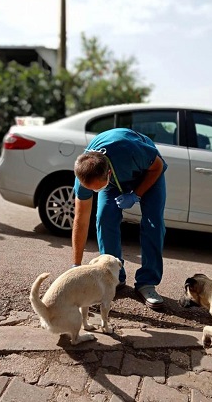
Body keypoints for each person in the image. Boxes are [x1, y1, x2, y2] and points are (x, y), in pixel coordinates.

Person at [72, 128, 168, 309]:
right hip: (112, 178)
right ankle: (114, 276)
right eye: (92, 190)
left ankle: (147, 282)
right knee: (104, 218)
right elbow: (81, 220)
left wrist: (136, 194)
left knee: (153, 223)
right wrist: (75, 265)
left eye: (97, 189)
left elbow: (157, 166)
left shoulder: (129, 149)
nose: (93, 193)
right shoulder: (85, 175)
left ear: (107, 174)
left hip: (148, 171)